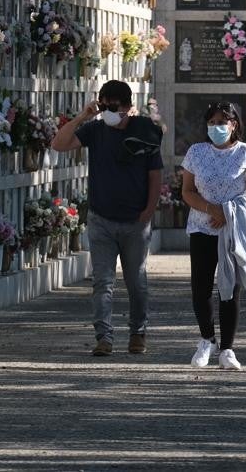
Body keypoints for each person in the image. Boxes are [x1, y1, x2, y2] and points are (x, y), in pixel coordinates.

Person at [52, 80, 162, 357]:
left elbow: (154, 173)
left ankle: (138, 332)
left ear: (127, 106)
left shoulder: (145, 130)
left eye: (115, 106)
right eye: (105, 105)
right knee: (102, 281)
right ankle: (104, 337)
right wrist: (82, 116)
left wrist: (149, 210)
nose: (110, 111)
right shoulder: (95, 129)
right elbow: (59, 144)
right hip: (101, 219)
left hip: (135, 221)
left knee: (136, 281)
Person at [179, 102, 246, 371]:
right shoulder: (196, 152)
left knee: (230, 288)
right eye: (212, 122)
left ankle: (228, 349)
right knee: (201, 289)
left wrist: (228, 213)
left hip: (234, 229)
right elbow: (187, 191)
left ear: (234, 124)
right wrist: (211, 209)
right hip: (203, 227)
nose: (217, 127)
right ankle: (207, 339)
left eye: (222, 122)